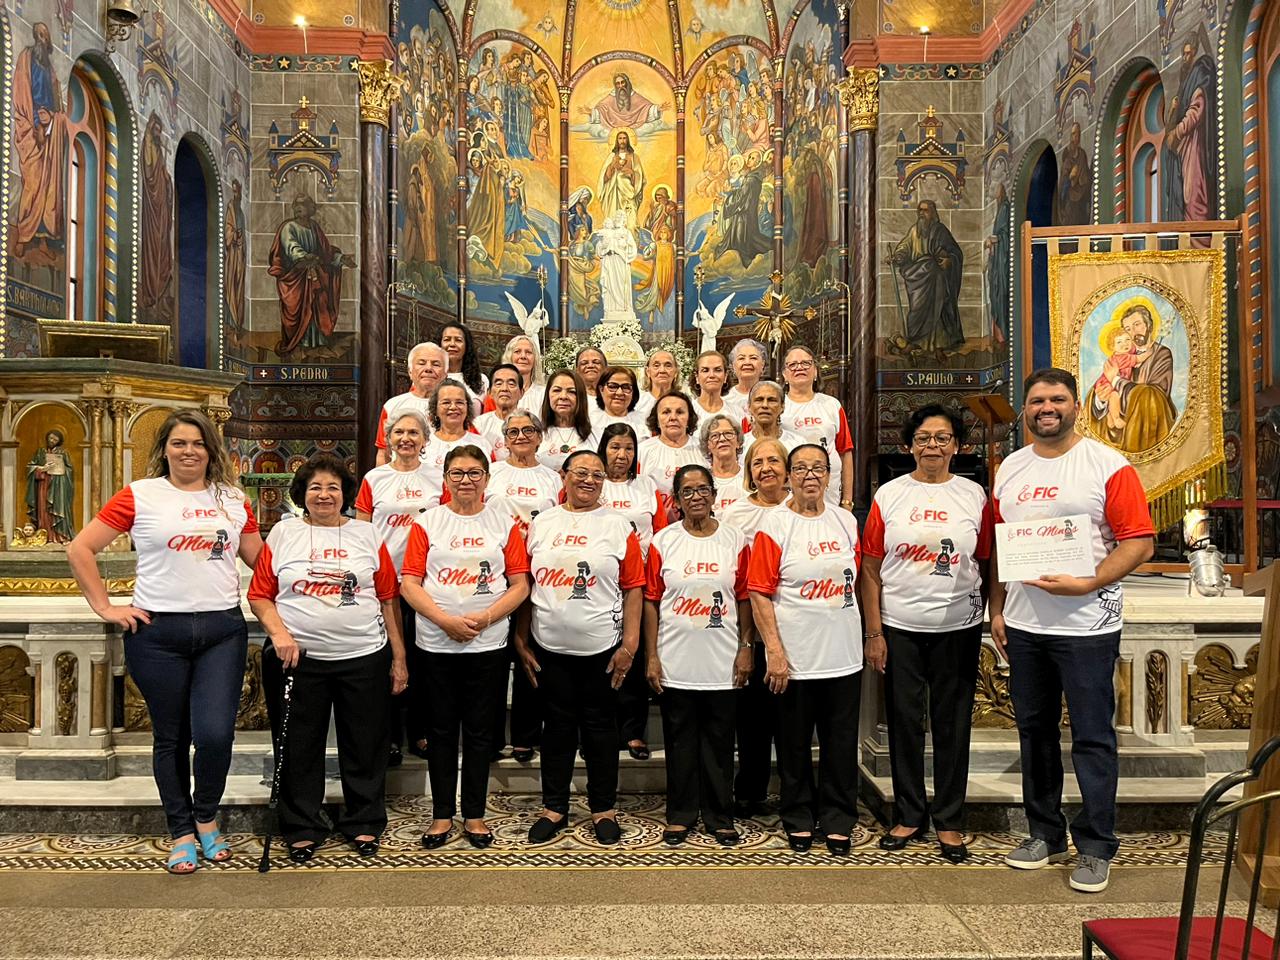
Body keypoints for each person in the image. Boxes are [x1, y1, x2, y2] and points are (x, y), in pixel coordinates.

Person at [66, 410, 263, 874]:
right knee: (171, 737)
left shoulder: (232, 499)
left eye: (198, 443)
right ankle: (180, 830)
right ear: (165, 449)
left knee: (215, 734)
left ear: (211, 450)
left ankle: (206, 816)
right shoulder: (140, 495)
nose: (189, 451)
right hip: (157, 634)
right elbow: (80, 548)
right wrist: (105, 607)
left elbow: (262, 560)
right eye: (179, 443)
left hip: (221, 629)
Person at [990, 368, 1154, 894]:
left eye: (1057, 399)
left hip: (1087, 624)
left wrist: (1089, 582)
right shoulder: (1009, 468)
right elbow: (1000, 545)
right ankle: (1044, 832)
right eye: (1036, 400)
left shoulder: (1107, 465)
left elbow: (1139, 542)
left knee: (1091, 736)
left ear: (1076, 406)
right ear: (1026, 409)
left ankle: (1096, 844)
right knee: (1034, 732)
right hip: (1025, 622)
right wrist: (997, 608)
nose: (1046, 408)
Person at [248, 454, 408, 863]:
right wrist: (280, 634)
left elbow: (388, 596)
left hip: (364, 655)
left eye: (333, 487)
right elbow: (260, 594)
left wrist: (399, 656)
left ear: (345, 495)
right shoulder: (284, 534)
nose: (324, 494)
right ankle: (302, 825)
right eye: (316, 487)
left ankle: (364, 821)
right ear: (302, 494)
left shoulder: (367, 535)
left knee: (366, 744)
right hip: (299, 660)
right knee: (299, 745)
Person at [860, 404, 992, 864]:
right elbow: (871, 568)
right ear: (908, 445)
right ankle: (910, 812)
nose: (932, 447)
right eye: (923, 438)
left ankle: (950, 819)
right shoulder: (889, 496)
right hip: (900, 626)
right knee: (903, 722)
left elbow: (989, 562)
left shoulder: (974, 496)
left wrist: (994, 615)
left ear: (958, 446)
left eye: (941, 438)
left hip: (958, 625)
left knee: (953, 724)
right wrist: (874, 632)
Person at [401, 446, 531, 849]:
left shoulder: (503, 523)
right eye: (457, 473)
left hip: (488, 644)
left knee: (478, 733)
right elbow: (409, 583)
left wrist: (487, 618)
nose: (466, 481)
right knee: (441, 732)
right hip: (436, 644)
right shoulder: (428, 523)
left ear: (487, 480)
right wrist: (445, 620)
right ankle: (442, 815)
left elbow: (520, 583)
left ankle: (474, 815)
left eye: (475, 473)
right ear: (445, 479)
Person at [514, 450, 644, 845]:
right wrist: (520, 638)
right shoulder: (543, 523)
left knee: (601, 730)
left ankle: (603, 808)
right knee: (556, 729)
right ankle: (554, 806)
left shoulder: (619, 525)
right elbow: (526, 583)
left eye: (598, 475)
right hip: (549, 647)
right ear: (564, 476)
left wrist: (631, 643)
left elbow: (634, 585)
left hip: (603, 649)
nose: (589, 480)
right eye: (582, 473)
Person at [747, 443, 863, 857]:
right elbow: (759, 592)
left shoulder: (846, 521)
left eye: (818, 468)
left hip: (843, 654)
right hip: (794, 657)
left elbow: (859, 580)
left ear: (830, 476)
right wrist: (774, 650)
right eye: (801, 468)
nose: (810, 475)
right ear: (790, 476)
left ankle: (837, 816)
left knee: (840, 742)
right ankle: (797, 814)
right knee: (793, 742)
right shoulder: (774, 525)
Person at [645, 465, 753, 846]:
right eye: (687, 491)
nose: (696, 497)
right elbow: (652, 601)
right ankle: (681, 813)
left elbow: (744, 598)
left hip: (723, 658)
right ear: (676, 500)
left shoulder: (735, 540)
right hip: (676, 658)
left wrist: (745, 648)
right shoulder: (663, 541)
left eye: (703, 490)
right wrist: (652, 655)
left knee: (720, 741)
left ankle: (720, 814)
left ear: (714, 495)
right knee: (680, 740)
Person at [354, 410, 441, 765]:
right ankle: (388, 737)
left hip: (426, 583)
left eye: (414, 433)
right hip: (384, 585)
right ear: (389, 438)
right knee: (388, 660)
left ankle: (421, 732)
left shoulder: (438, 478)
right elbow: (361, 531)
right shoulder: (375, 478)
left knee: (422, 661)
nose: (406, 438)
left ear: (425, 439)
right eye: (399, 432)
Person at [487, 412, 565, 762]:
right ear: (504, 438)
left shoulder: (551, 478)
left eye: (528, 430)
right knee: (495, 656)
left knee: (531, 653)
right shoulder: (493, 473)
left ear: (539, 436)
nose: (521, 436)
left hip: (538, 573)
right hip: (495, 572)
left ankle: (527, 734)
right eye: (513, 431)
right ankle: (489, 738)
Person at [721, 438, 791, 816]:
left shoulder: (804, 509)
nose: (766, 468)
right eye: (758, 462)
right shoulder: (734, 513)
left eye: (773, 461)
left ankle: (795, 791)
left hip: (795, 625)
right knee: (752, 716)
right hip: (747, 623)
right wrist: (746, 639)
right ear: (749, 471)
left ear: (787, 468)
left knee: (790, 717)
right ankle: (750, 789)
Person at [598, 422, 669, 763]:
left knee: (635, 652)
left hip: (639, 581)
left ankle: (634, 730)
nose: (621, 455)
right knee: (602, 656)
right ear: (603, 449)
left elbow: (661, 533)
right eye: (615, 447)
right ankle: (601, 728)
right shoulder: (593, 483)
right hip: (600, 582)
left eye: (628, 448)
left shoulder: (646, 485)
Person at [782, 346, 854, 508]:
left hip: (830, 494)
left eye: (806, 363)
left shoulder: (831, 405)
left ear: (815, 371)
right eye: (792, 365)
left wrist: (847, 501)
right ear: (785, 375)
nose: (799, 367)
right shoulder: (778, 407)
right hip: (788, 495)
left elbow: (845, 452)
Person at [890, 200, 965, 352]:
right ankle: (918, 341)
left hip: (938, 278)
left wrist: (950, 261)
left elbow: (956, 252)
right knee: (918, 309)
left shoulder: (941, 230)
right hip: (918, 279)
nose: (921, 213)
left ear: (933, 213)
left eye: (925, 210)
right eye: (919, 210)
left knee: (940, 308)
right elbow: (904, 248)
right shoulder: (914, 231)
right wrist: (897, 257)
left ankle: (941, 343)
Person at [376, 342, 448, 465]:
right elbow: (383, 452)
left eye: (436, 364)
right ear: (410, 372)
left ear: (445, 375)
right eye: (421, 363)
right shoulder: (393, 405)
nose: (428, 369)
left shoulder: (455, 407)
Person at [423, 380, 494, 485]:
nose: (453, 407)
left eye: (459, 402)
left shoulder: (482, 444)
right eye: (446, 402)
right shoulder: (424, 445)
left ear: (467, 407)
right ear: (435, 408)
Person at [639, 390, 707, 498]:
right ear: (656, 419)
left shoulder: (704, 448)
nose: (673, 417)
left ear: (689, 418)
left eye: (680, 412)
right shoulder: (642, 450)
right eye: (666, 412)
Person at [537, 369, 599, 471]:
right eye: (557, 390)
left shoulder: (597, 435)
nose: (563, 396)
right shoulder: (535, 433)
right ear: (548, 395)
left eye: (571, 392)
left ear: (580, 397)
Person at [26, 428, 75, 543]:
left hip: (58, 487)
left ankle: (60, 536)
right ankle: (44, 536)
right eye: (51, 438)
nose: (52, 441)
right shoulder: (40, 452)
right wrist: (42, 469)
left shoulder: (63, 453)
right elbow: (30, 468)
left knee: (57, 509)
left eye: (55, 439)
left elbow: (69, 471)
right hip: (43, 485)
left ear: (59, 441)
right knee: (43, 510)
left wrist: (60, 470)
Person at [474, 363, 524, 462]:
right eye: (498, 383)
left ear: (521, 393)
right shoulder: (478, 425)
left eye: (511, 384)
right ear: (489, 393)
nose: (504, 388)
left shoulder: (531, 424)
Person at [700, 414, 747, 513]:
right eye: (714, 436)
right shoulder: (701, 480)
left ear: (738, 441)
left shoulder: (751, 477)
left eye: (728, 433)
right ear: (707, 446)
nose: (722, 439)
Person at [440, 322, 489, 416]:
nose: (452, 344)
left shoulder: (481, 380)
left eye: (458, 340)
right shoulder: (431, 377)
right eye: (447, 339)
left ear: (467, 346)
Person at [742, 381, 806, 453]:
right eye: (759, 400)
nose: (765, 405)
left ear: (782, 406)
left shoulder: (798, 444)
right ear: (749, 406)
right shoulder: (740, 444)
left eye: (772, 400)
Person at [591, 364, 649, 435]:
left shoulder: (645, 422)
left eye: (626, 387)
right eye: (612, 386)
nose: (619, 393)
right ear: (601, 389)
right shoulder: (590, 422)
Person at [501, 334, 547, 415]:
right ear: (509, 357)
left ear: (535, 359)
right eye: (517, 352)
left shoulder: (543, 394)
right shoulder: (499, 392)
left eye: (528, 352)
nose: (523, 356)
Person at [726, 339, 766, 422]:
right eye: (741, 358)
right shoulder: (725, 398)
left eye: (753, 358)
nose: (747, 362)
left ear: (762, 364)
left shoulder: (772, 395)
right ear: (733, 366)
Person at [690, 350, 732, 421]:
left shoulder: (736, 412)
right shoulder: (688, 411)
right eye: (705, 370)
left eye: (718, 370)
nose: (711, 375)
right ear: (697, 377)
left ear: (725, 376)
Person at [636, 349, 678, 420]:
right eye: (656, 365)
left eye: (668, 366)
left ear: (676, 372)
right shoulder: (638, 403)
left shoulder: (684, 402)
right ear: (648, 372)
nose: (662, 370)